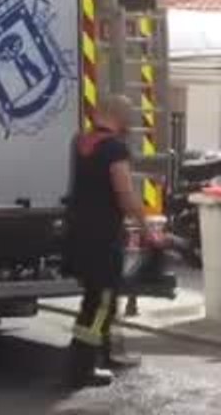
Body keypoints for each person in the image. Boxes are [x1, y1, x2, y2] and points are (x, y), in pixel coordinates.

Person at [62, 95, 156, 389]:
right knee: (101, 304)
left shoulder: (80, 143)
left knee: (93, 300)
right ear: (119, 117)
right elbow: (126, 196)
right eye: (128, 118)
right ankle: (84, 368)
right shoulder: (115, 149)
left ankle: (97, 355)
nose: (130, 124)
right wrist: (147, 229)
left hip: (79, 236)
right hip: (103, 240)